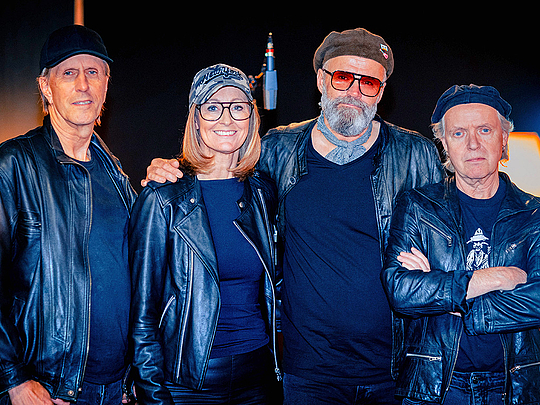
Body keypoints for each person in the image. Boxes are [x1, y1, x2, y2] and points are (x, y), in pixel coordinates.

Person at [143, 28, 444, 404]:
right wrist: (172, 168)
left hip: (394, 373)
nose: (353, 91)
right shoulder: (277, 151)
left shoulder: (416, 155)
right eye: (342, 76)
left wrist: (435, 268)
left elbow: (448, 245)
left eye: (368, 82)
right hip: (307, 377)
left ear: (381, 91)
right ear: (321, 80)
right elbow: (220, 169)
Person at [129, 63, 281, 405]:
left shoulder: (262, 193)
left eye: (238, 107)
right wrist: (152, 394)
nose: (227, 119)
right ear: (195, 119)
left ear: (252, 117)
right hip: (187, 383)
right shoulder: (162, 197)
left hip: (258, 377)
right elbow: (141, 314)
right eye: (213, 107)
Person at [0, 25, 137, 405]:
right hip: (49, 391)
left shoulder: (118, 176)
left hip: (116, 390)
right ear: (46, 87)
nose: (83, 85)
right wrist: (14, 381)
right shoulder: (13, 165)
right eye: (69, 73)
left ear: (106, 85)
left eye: (93, 72)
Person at [381, 84, 540, 405]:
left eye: (484, 130)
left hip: (515, 386)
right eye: (458, 133)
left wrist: (450, 298)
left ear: (504, 138)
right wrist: (497, 278)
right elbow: (401, 291)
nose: (473, 144)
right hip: (435, 385)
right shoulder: (418, 207)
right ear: (444, 144)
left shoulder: (534, 214)